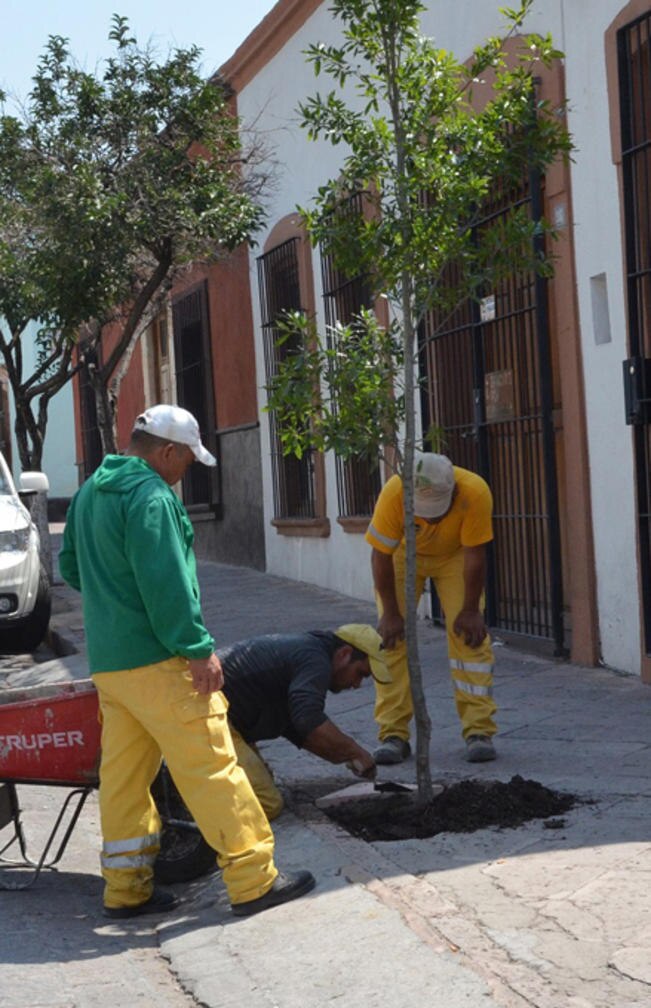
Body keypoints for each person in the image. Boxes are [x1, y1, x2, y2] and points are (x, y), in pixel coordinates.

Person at [59, 404, 314, 919]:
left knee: (125, 778)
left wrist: (114, 606)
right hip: (159, 660)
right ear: (167, 451)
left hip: (111, 662)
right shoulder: (150, 497)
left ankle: (126, 887)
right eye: (187, 461)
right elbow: (168, 585)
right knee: (211, 764)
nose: (186, 472)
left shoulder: (89, 493)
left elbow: (70, 567)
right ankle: (253, 878)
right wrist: (196, 649)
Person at [365, 450, 497, 765]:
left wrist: (469, 610)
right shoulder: (395, 492)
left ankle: (479, 730)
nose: (431, 516)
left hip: (455, 557)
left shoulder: (475, 491)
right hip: (402, 555)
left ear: (453, 491)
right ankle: (393, 734)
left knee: (470, 638)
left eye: (437, 508)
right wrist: (391, 614)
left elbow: (475, 555)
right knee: (391, 641)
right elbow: (380, 556)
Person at [218, 624, 391, 818]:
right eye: (360, 673)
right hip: (206, 716)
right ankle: (190, 814)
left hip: (222, 716)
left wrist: (346, 755)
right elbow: (308, 718)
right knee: (266, 802)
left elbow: (300, 729)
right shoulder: (315, 661)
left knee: (260, 785)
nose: (357, 684)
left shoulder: (310, 653)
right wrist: (355, 751)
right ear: (344, 654)